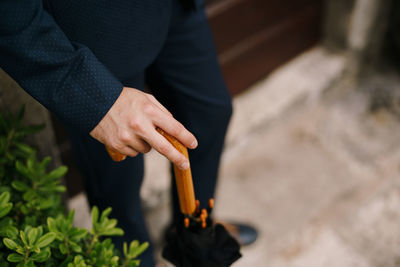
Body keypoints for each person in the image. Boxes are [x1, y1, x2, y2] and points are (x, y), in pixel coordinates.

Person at [0, 0, 257, 266]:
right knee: (117, 179)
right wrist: (97, 99)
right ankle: (134, 260)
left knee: (209, 114)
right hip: (93, 36)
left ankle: (194, 235)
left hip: (173, 9)